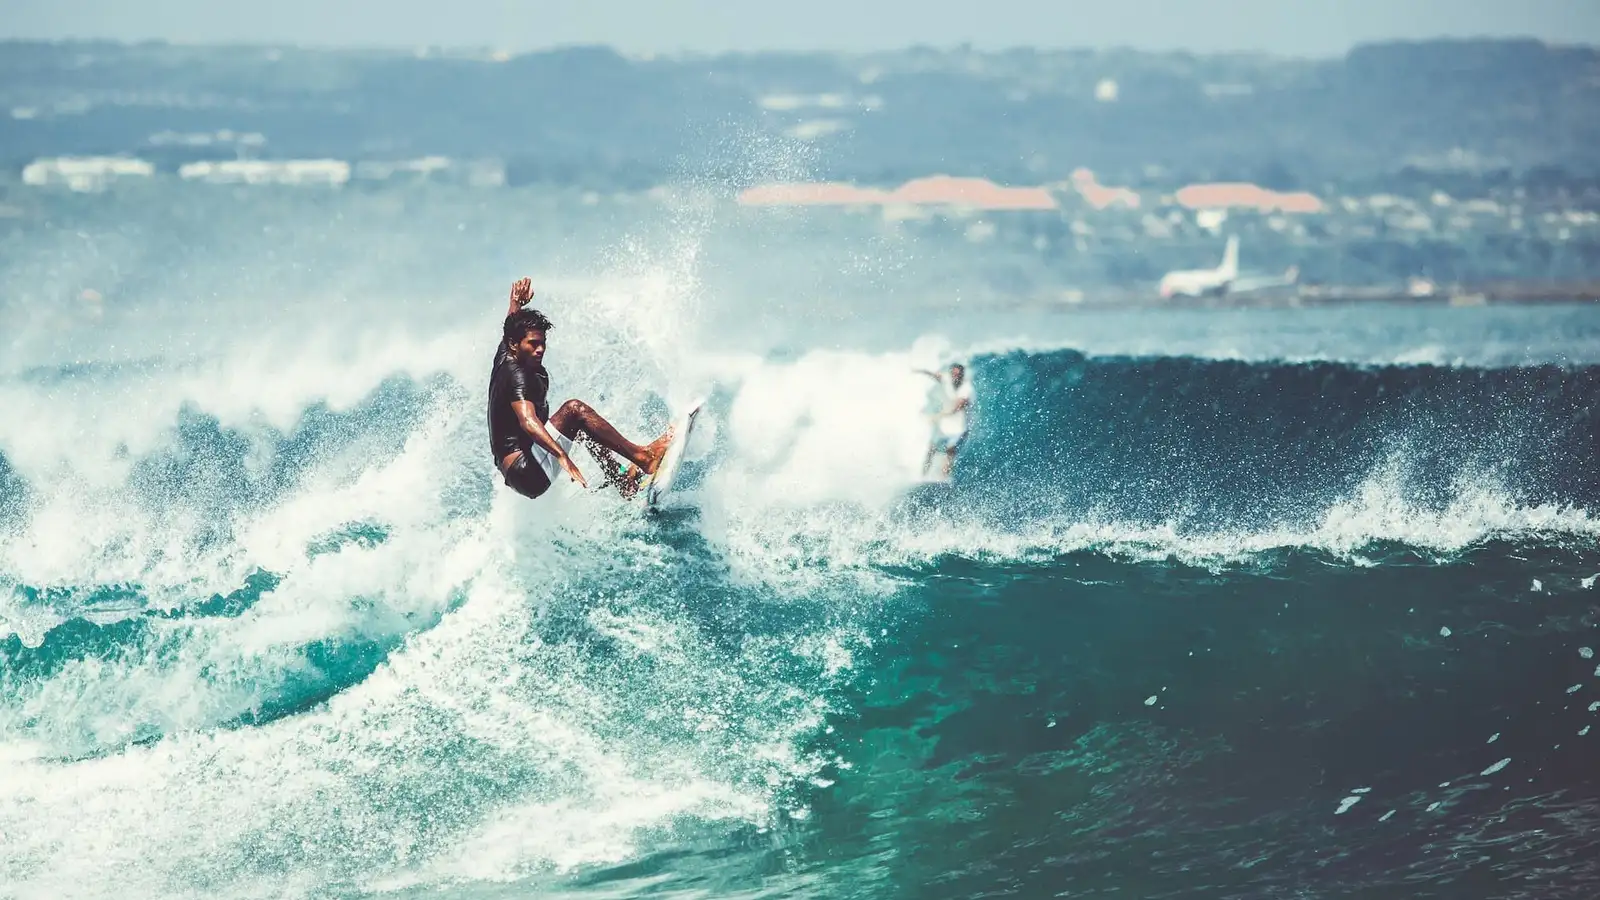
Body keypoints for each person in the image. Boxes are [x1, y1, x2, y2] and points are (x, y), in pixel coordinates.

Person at [489, 277, 672, 501]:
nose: (540, 349)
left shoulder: (506, 351)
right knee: (574, 410)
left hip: (518, 469)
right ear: (515, 344)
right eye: (533, 344)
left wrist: (516, 303)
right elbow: (528, 420)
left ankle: (622, 482)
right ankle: (644, 458)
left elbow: (510, 325)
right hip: (527, 471)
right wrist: (561, 455)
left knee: (584, 427)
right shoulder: (517, 375)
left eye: (542, 342)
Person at [916, 362, 973, 481]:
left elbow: (958, 407)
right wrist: (921, 371)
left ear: (962, 375)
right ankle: (923, 476)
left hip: (960, 428)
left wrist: (937, 416)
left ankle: (942, 480)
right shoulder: (948, 380)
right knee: (931, 449)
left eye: (958, 374)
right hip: (945, 427)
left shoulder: (966, 388)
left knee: (950, 451)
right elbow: (937, 376)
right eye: (953, 374)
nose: (955, 376)